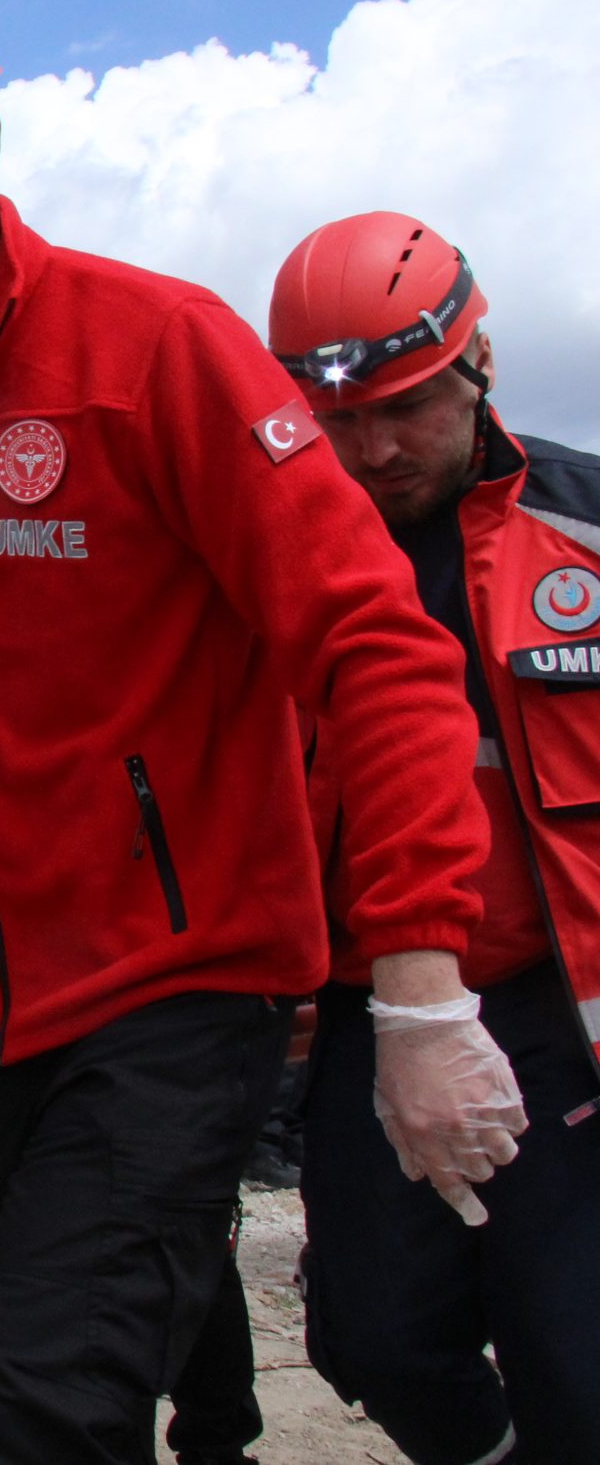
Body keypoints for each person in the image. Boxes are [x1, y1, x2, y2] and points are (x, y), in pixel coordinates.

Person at [0, 0, 520, 1464]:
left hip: (178, 986)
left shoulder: (155, 351)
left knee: (25, 1414)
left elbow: (381, 648)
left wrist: (422, 995)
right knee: (43, 1340)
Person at [266, 213, 600, 1465]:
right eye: (335, 420)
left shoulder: (586, 530)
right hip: (362, 1017)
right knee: (376, 1338)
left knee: (574, 1356)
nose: (372, 449)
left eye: (404, 406)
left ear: (482, 365)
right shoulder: (271, 565)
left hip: (561, 1021)